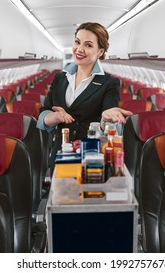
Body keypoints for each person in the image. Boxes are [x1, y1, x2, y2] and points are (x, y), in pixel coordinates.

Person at [37, 22, 132, 173]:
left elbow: (109, 123)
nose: (79, 49)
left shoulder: (109, 83)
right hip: (61, 155)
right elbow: (43, 116)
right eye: (77, 42)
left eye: (88, 45)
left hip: (92, 157)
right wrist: (55, 117)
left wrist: (106, 119)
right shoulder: (60, 78)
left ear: (100, 52)